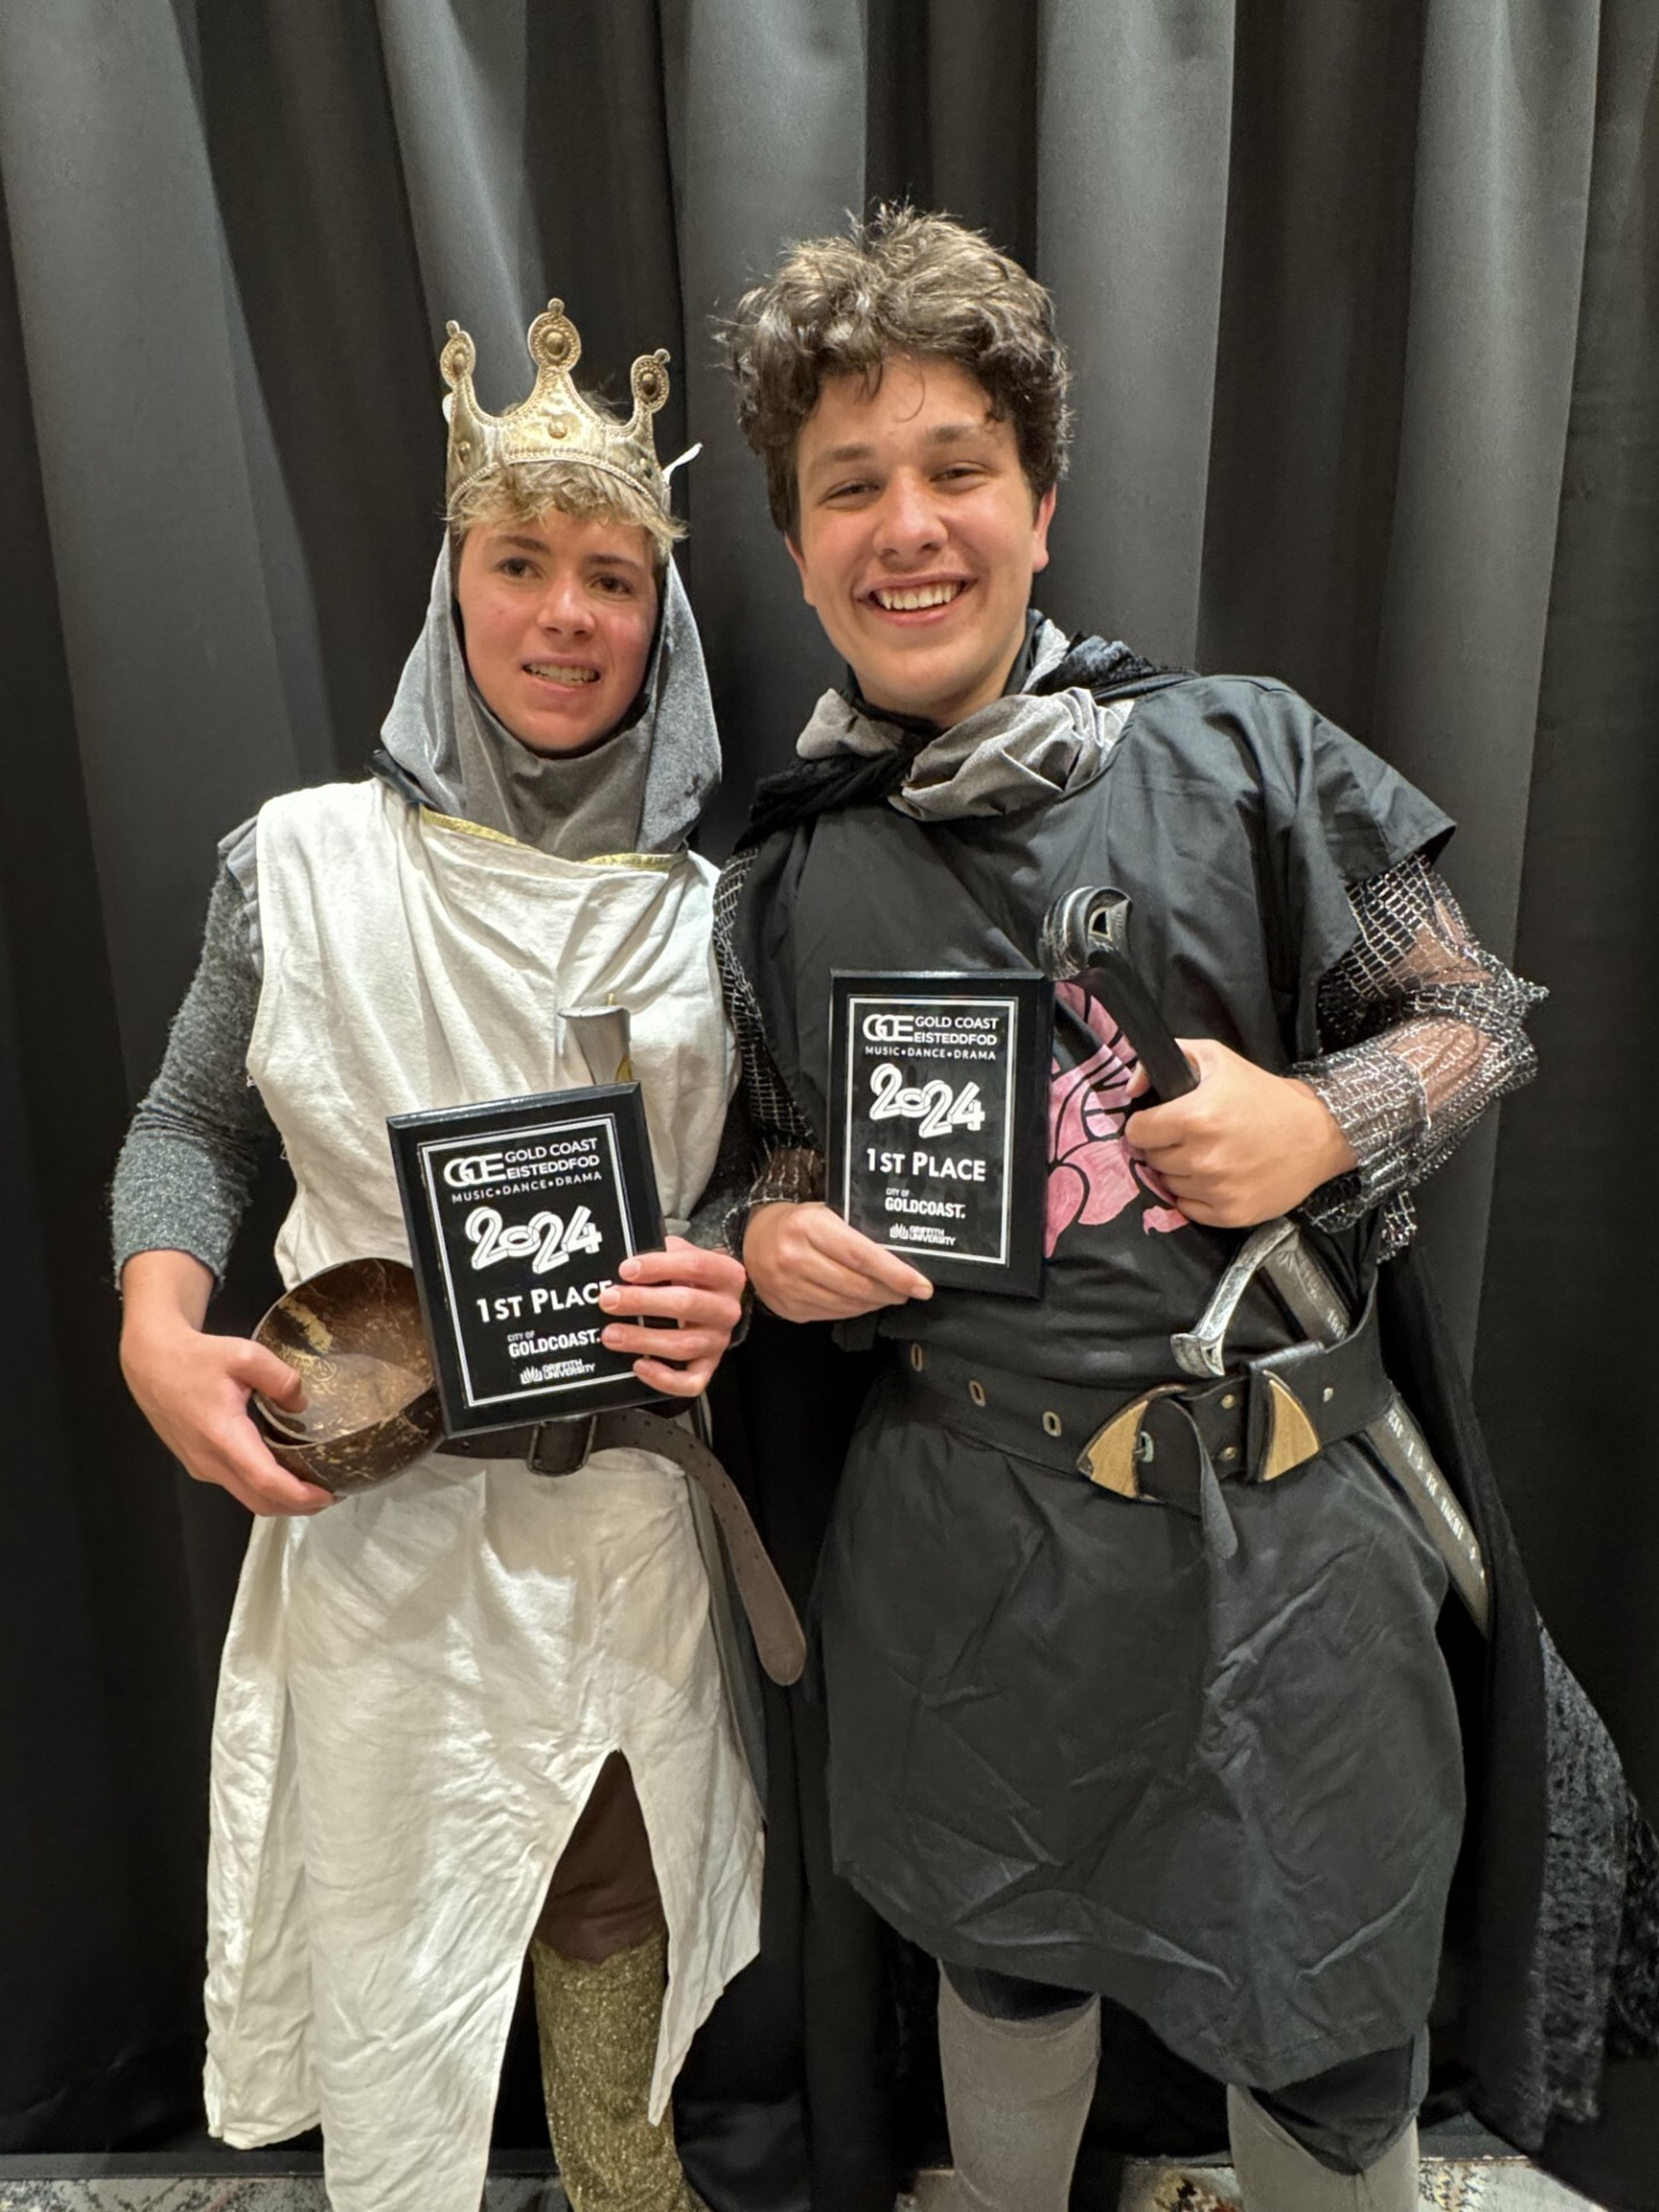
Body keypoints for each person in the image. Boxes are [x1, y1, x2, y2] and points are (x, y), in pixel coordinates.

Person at [713, 209, 1551, 2211]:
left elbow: (1479, 1015)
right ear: (796, 544)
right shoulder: (782, 876)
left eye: (956, 469)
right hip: (966, 1554)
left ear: (1040, 505)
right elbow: (784, 1146)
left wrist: (1322, 1118)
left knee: (1329, 2026)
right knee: (1002, 1967)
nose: (907, 526)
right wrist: (768, 1234)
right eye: (849, 486)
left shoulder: (1239, 752)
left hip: (1283, 1554)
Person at [113, 299, 758, 2212]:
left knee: (614, 1886)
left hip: (616, 1504)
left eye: (612, 577)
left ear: (663, 612)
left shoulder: (721, 914)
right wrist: (157, 1326)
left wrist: (726, 1259)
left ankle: (625, 2187)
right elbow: (193, 1123)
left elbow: (766, 1165)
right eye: (521, 564)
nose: (565, 617)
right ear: (449, 589)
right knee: (398, 1917)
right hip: (378, 1509)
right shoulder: (298, 868)